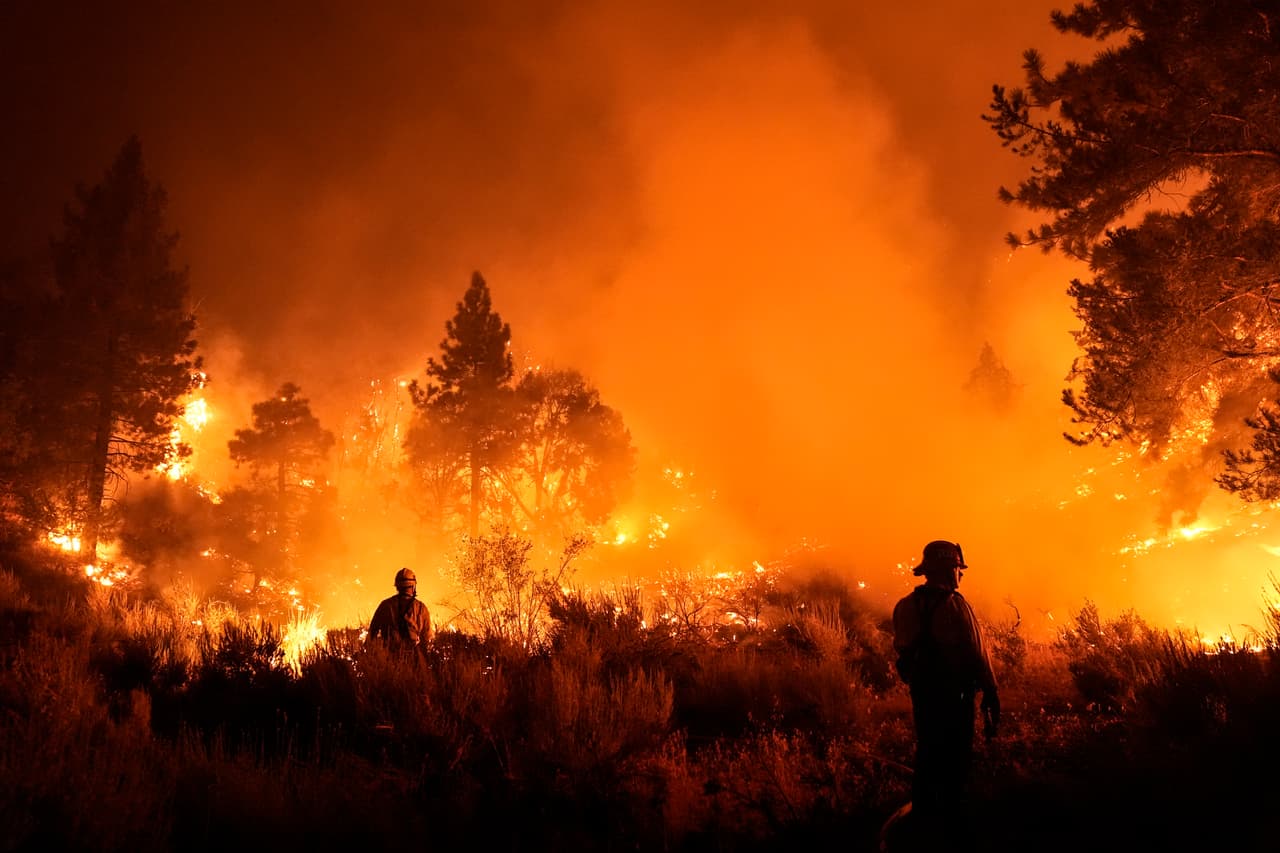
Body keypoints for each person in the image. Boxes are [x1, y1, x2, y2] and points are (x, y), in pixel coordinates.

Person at [891, 539, 999, 837]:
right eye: (957, 568)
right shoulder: (957, 606)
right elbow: (978, 653)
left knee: (927, 751)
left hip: (924, 694)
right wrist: (991, 692)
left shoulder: (904, 607)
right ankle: (953, 823)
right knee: (957, 757)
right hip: (956, 696)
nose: (961, 574)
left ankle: (924, 817)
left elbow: (902, 649)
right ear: (947, 569)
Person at [368, 567, 432, 649]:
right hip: (414, 657)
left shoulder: (385, 606)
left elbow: (372, 634)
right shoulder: (421, 608)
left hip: (389, 656)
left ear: (397, 586)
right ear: (413, 586)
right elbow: (427, 638)